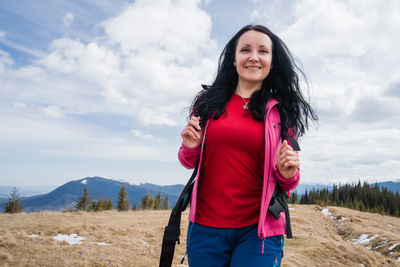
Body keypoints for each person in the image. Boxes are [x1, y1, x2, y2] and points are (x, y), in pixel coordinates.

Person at [178, 25, 317, 267]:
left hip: (259, 231)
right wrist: (190, 147)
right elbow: (189, 160)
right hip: (204, 228)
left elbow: (287, 181)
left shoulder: (281, 112)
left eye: (263, 51)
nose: (254, 57)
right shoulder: (207, 104)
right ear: (234, 59)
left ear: (272, 62)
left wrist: (288, 173)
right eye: (245, 49)